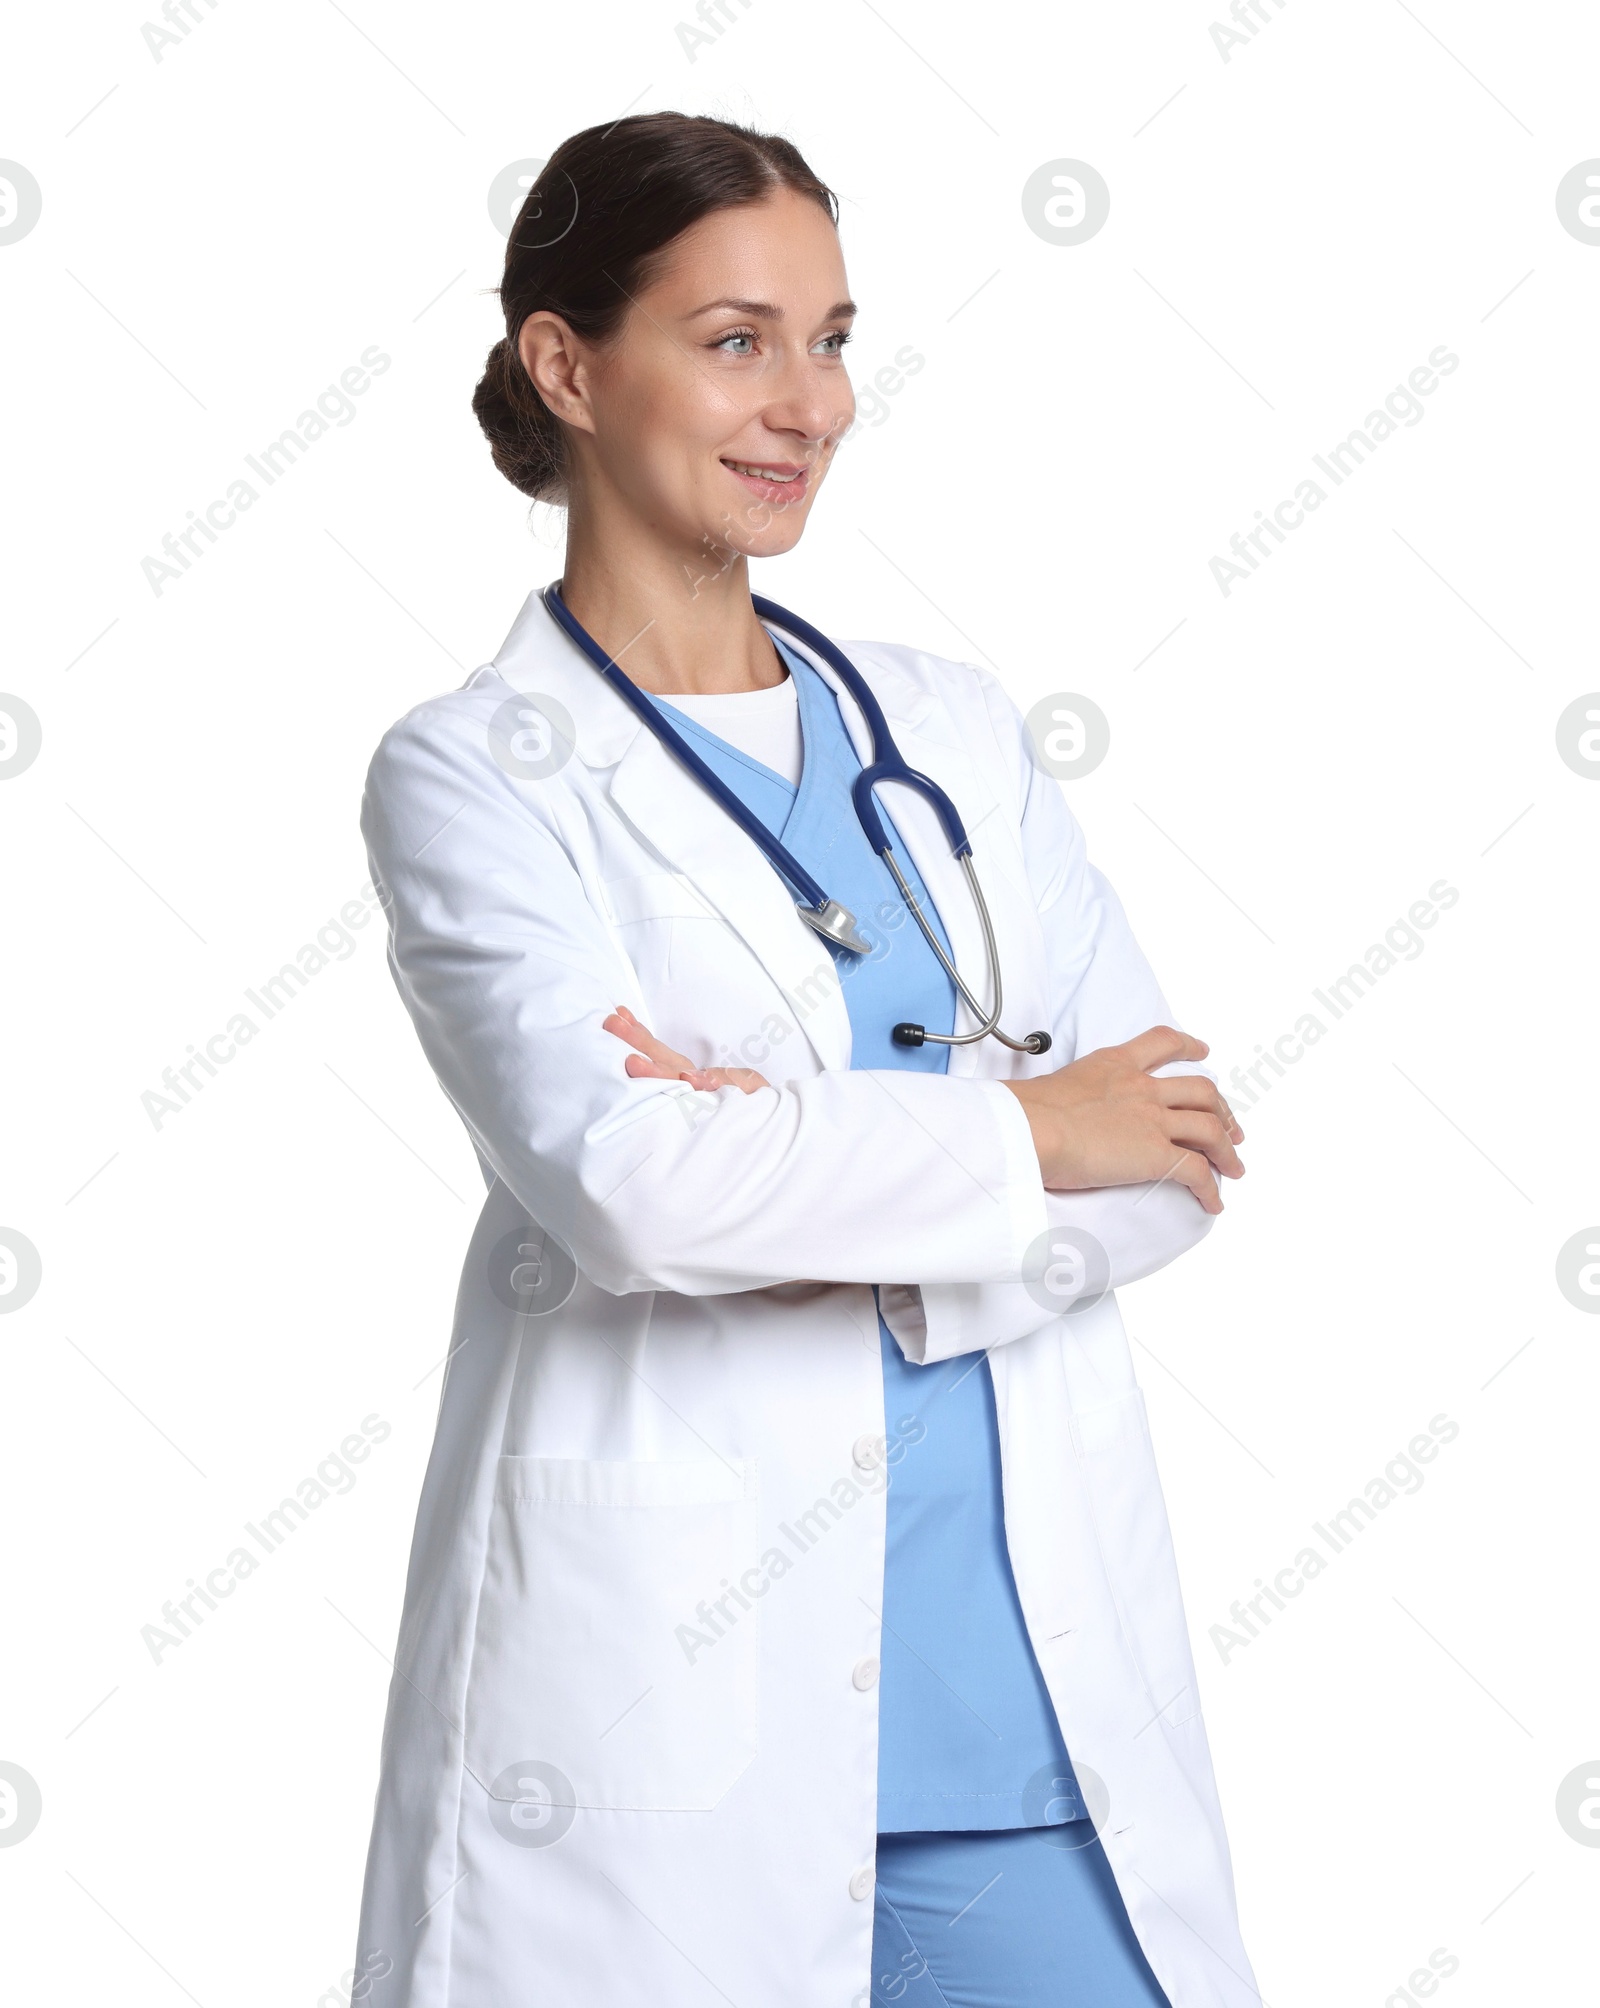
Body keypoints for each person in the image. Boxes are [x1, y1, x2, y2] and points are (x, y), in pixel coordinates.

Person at [352, 110, 1260, 2008]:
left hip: (1026, 1711)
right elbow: (629, 1194)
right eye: (739, 338)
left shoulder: (950, 733)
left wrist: (784, 1156)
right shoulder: (472, 774)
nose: (812, 403)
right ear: (568, 366)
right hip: (673, 1726)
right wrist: (1024, 1139)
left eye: (833, 337)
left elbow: (1168, 1152)